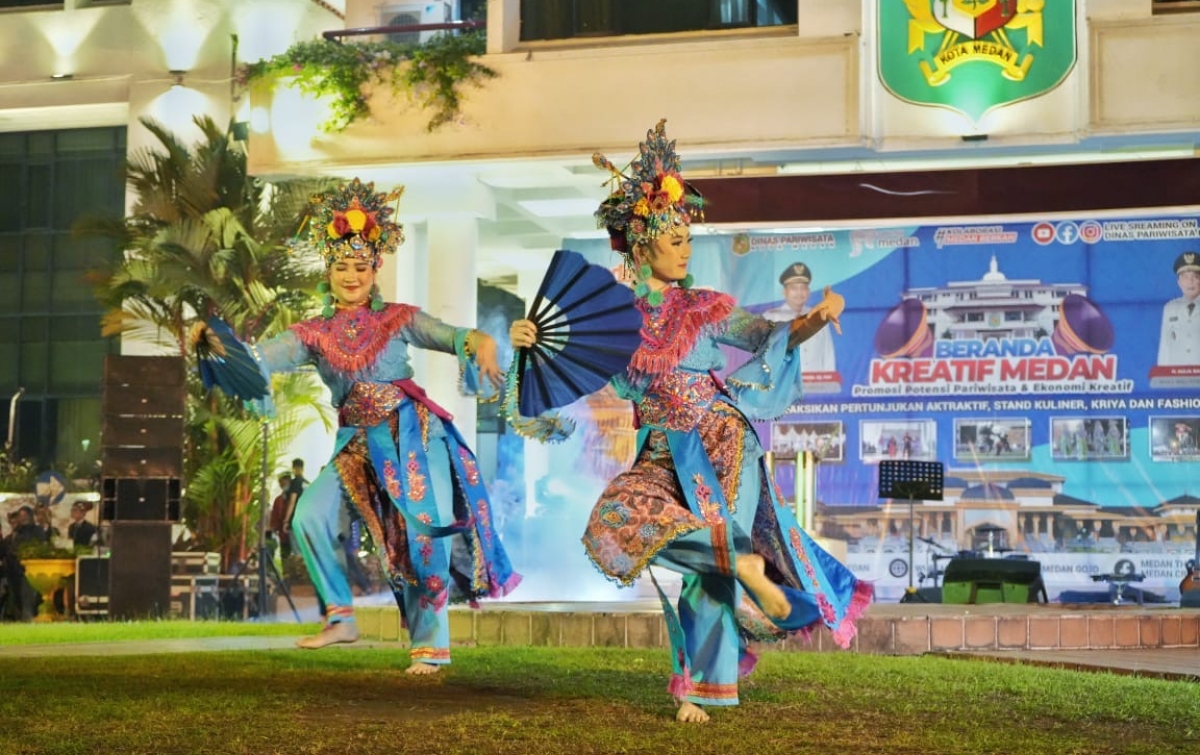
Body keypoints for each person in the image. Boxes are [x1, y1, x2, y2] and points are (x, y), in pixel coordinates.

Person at [509, 120, 870, 723]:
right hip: (659, 451)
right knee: (616, 520)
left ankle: (706, 689)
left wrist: (814, 318)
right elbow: (557, 367)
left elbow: (767, 337)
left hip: (722, 438)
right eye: (673, 238)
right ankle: (746, 565)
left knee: (709, 570)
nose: (684, 247)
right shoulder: (611, 321)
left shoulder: (707, 309)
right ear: (642, 245)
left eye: (687, 238)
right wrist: (527, 340)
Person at [191, 178, 520, 673]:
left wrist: (481, 342)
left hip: (411, 432)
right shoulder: (312, 333)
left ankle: (430, 647)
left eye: (360, 266)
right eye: (342, 266)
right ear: (329, 269)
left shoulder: (398, 318)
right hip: (355, 442)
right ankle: (341, 617)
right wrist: (216, 344)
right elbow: (260, 360)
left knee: (424, 534)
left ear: (375, 269)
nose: (351, 275)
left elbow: (454, 336)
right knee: (306, 518)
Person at [761, 261, 837, 374]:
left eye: (803, 288)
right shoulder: (770, 318)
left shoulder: (819, 316)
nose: (799, 293)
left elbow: (828, 354)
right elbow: (762, 355)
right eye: (794, 288)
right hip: (782, 384)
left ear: (809, 292)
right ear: (784, 292)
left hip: (815, 386)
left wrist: (828, 382)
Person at [1157, 251, 1200, 366]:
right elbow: (1165, 347)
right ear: (1179, 282)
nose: (1190, 282)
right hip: (1177, 377)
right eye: (1185, 277)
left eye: (1195, 277)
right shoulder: (1170, 308)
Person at [268, 473, 293, 559]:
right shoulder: (278, 499)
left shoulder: (295, 497)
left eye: (283, 483)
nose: (282, 486)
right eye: (280, 484)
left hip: (294, 532)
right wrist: (274, 529)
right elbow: (275, 516)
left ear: (289, 481)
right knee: (285, 556)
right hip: (283, 534)